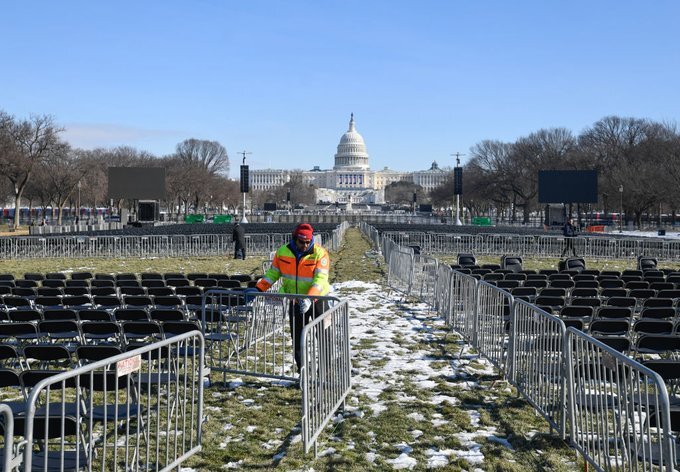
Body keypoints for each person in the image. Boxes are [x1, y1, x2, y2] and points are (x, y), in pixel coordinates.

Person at [253, 223, 330, 371]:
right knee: (297, 337)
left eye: (308, 242)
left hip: (318, 300)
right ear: (295, 239)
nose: (305, 245)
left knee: (323, 335)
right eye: (302, 242)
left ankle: (325, 371)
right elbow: (273, 273)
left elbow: (320, 280)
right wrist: (258, 288)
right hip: (295, 301)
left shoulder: (320, 253)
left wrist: (309, 298)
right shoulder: (282, 252)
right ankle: (302, 370)